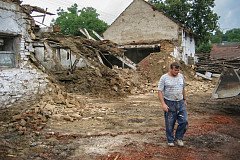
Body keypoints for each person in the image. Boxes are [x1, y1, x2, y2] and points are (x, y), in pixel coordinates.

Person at [157, 61, 188, 147]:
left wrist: (185, 99)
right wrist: (163, 104)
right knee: (170, 123)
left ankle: (179, 138)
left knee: (184, 121)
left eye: (178, 70)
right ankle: (170, 139)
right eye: (175, 70)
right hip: (169, 102)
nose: (177, 72)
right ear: (170, 69)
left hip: (180, 102)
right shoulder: (164, 78)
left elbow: (183, 88)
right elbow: (159, 91)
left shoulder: (181, 76)